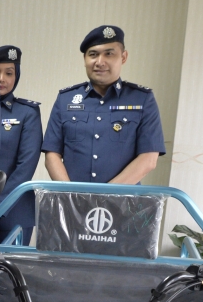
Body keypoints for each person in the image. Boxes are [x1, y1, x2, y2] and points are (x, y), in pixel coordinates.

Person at [42, 25, 165, 185]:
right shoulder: (65, 99)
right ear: (85, 59)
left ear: (123, 57)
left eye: (109, 54)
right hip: (72, 202)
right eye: (93, 55)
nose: (100, 62)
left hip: (122, 203)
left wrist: (106, 195)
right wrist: (70, 195)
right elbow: (52, 154)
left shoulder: (142, 99)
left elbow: (149, 158)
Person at [0, 44, 42, 245]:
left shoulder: (27, 113)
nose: (1, 79)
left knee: (6, 274)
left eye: (9, 73)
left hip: (13, 210)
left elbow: (26, 166)